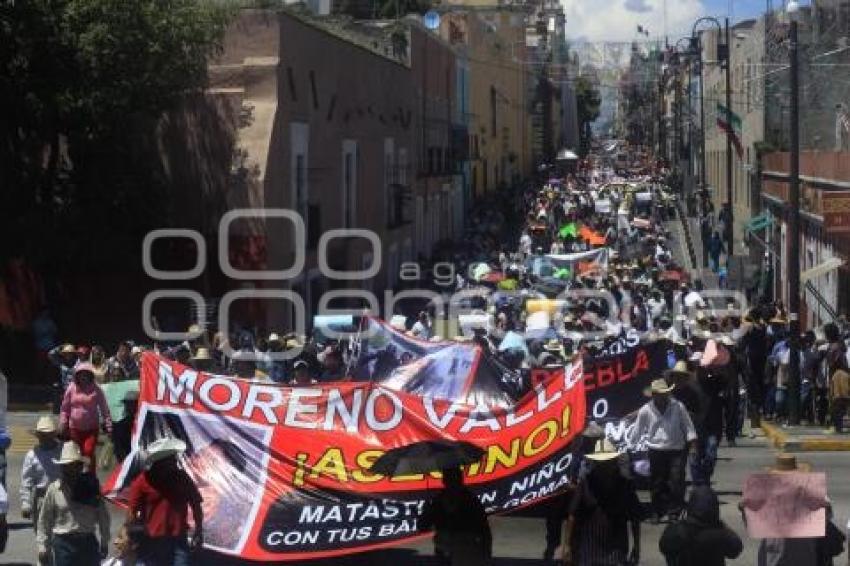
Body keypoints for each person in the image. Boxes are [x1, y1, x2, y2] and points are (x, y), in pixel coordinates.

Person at [563, 439, 641, 566]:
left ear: (614, 462)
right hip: (590, 547)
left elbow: (635, 518)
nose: (604, 466)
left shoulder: (625, 485)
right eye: (600, 462)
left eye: (607, 462)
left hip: (616, 548)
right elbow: (572, 515)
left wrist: (637, 547)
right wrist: (567, 546)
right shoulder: (586, 483)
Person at [127, 437, 204, 566]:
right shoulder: (142, 481)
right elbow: (132, 511)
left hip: (179, 538)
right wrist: (131, 535)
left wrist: (199, 530)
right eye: (172, 458)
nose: (175, 460)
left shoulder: (182, 477)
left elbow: (196, 503)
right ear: (162, 461)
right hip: (152, 539)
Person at [629, 378, 697, 521]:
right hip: (656, 450)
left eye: (664, 393)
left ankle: (674, 510)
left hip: (676, 449)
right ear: (653, 395)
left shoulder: (678, 406)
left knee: (676, 480)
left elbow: (688, 426)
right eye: (658, 394)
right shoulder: (646, 410)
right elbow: (637, 430)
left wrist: (693, 445)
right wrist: (631, 447)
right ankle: (657, 510)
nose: (661, 396)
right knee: (657, 482)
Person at [37, 441, 110, 566]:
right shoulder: (54, 489)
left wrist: (104, 541)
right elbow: (44, 520)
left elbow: (103, 516)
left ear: (80, 467)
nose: (69, 469)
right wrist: (42, 546)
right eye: (66, 466)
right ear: (61, 467)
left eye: (73, 466)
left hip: (88, 542)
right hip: (63, 544)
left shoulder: (91, 488)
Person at [542, 421, 605, 562]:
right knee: (555, 502)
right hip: (577, 494)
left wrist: (576, 487)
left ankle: (571, 546)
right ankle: (553, 544)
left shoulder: (603, 458)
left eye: (589, 440)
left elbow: (595, 482)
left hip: (594, 497)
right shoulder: (578, 455)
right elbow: (574, 476)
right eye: (586, 439)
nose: (586, 442)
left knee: (575, 507)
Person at [420, 467, 491, 566]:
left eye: (452, 479)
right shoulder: (438, 501)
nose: (450, 483)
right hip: (444, 554)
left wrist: (486, 555)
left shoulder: (470, 501)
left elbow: (484, 530)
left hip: (466, 554)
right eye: (448, 479)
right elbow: (423, 527)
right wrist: (425, 512)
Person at [659, 485, 743, 566]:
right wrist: (721, 524)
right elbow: (736, 549)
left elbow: (663, 548)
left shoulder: (675, 530)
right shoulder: (719, 535)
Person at [58, 363, 112, 470]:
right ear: (77, 376)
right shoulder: (71, 388)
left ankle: (90, 476)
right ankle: (77, 476)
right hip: (74, 428)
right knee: (76, 454)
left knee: (88, 451)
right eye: (81, 374)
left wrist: (108, 425)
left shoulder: (96, 389)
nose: (83, 377)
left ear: (90, 375)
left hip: (91, 429)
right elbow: (65, 408)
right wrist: (63, 423)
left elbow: (104, 409)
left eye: (86, 374)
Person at [21, 416, 61, 530]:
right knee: (41, 533)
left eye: (48, 434)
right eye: (42, 435)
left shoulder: (62, 451)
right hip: (41, 497)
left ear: (53, 435)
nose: (45, 437)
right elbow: (26, 481)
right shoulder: (32, 455)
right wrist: (26, 503)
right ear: (38, 436)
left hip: (61, 495)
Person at [111, 390, 139, 462]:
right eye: (128, 404)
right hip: (127, 462)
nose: (130, 407)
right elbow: (118, 450)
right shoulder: (119, 427)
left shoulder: (146, 425)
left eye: (132, 404)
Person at [828, 355, 850, 434]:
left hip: (836, 397)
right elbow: (847, 387)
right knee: (842, 413)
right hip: (844, 397)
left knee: (837, 414)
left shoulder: (834, 375)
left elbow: (831, 388)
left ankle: (838, 428)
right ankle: (839, 428)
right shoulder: (846, 375)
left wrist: (831, 396)